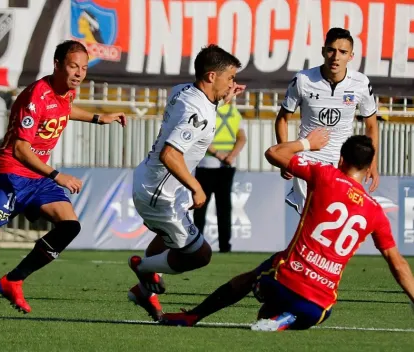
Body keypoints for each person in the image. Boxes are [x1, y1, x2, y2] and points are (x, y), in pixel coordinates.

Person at [161, 131, 414, 330]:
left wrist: (307, 143)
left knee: (254, 279)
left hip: (282, 283)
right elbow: (398, 263)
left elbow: (273, 153)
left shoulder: (325, 175)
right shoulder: (375, 211)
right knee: (312, 309)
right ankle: (287, 319)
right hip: (318, 308)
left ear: (340, 160)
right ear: (369, 168)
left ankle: (194, 315)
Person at [0, 40, 126, 314]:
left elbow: (63, 111)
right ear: (57, 65)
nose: (79, 73)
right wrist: (57, 175)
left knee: (69, 226)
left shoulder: (67, 92)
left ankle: (13, 280)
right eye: (73, 66)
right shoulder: (35, 96)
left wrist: (99, 118)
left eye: (84, 68)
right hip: (9, 174)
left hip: (36, 179)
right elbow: (19, 149)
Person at [127, 44, 245, 321]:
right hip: (161, 194)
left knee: (168, 239)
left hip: (152, 181)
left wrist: (223, 98)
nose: (233, 84)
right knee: (200, 255)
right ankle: (143, 269)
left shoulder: (183, 89)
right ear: (211, 76)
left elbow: (202, 103)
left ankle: (145, 291)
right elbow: (171, 153)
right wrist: (196, 185)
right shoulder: (200, 115)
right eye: (229, 78)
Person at [276, 27, 380, 215]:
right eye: (331, 50)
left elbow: (371, 126)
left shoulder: (361, 83)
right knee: (312, 220)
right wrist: (286, 158)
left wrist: (372, 162)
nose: (336, 57)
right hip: (309, 160)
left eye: (343, 52)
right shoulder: (303, 80)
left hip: (343, 164)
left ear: (351, 56)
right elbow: (282, 119)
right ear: (323, 51)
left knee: (337, 220)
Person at [193, 103, 247, 253]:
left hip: (207, 165)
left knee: (200, 207)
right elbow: (242, 138)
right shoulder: (234, 112)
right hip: (227, 166)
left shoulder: (208, 111)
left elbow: (201, 137)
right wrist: (231, 156)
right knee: (224, 208)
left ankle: (197, 245)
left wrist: (218, 154)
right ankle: (225, 246)